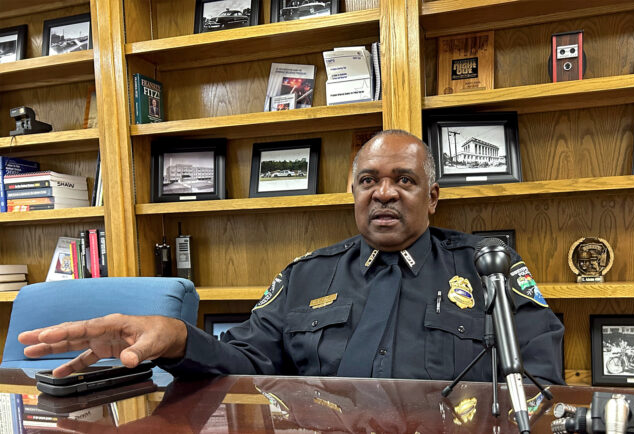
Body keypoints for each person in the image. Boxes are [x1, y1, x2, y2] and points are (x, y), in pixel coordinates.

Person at [19, 130, 564, 385]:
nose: (385, 193)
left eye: (405, 180)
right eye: (369, 181)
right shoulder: (306, 276)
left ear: (433, 196)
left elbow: (540, 379)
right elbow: (248, 361)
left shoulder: (487, 266)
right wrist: (179, 338)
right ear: (353, 193)